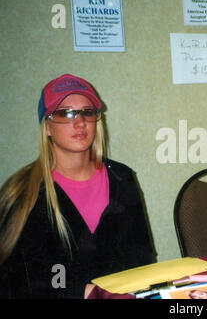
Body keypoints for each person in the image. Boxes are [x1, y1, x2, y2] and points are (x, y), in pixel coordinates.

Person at [0, 74, 154, 298]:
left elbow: (140, 255)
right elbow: (25, 281)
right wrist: (90, 292)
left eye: (87, 112)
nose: (79, 122)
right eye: (65, 113)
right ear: (47, 127)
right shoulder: (22, 193)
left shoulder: (122, 178)